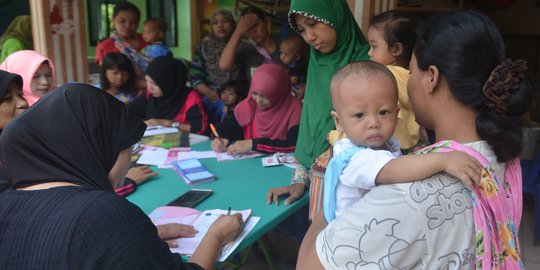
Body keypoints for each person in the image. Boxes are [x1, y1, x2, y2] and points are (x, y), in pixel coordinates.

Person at [297, 10, 534, 269]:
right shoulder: (500, 156)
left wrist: (331, 189)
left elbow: (309, 265)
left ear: (431, 77)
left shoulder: (408, 196)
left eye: (410, 72)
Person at [0, 83, 244, 269]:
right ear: (99, 148)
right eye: (130, 149)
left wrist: (131, 239)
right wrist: (216, 235)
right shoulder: (101, 212)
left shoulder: (7, 202)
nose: (131, 160)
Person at [324, 60, 481, 222]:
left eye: (383, 112)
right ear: (339, 121)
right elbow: (392, 170)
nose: (373, 123)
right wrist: (444, 160)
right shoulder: (354, 158)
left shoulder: (388, 144)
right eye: (359, 115)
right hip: (355, 237)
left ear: (396, 112)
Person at [266, 0, 370, 218]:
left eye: (313, 24)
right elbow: (311, 126)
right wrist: (300, 179)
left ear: (335, 15)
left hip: (357, 192)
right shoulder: (317, 61)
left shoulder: (367, 65)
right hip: (318, 187)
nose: (309, 37)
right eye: (302, 30)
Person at [211, 64, 301, 155]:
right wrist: (222, 138)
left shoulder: (295, 110)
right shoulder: (249, 105)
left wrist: (253, 144)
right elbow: (227, 128)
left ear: (278, 92)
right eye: (255, 93)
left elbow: (294, 145)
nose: (258, 101)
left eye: (265, 96)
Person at [367, 10, 423, 152]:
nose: (369, 53)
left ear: (397, 49)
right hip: (408, 145)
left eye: (374, 46)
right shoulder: (413, 77)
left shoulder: (383, 78)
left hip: (384, 146)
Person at [129, 56, 208, 135]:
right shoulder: (149, 95)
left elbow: (201, 129)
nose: (149, 88)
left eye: (154, 83)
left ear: (168, 82)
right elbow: (129, 114)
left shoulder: (191, 98)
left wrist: (167, 123)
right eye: (147, 81)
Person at [189, 9, 240, 123]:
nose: (220, 25)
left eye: (225, 21)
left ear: (233, 25)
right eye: (215, 22)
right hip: (209, 98)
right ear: (211, 26)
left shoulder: (242, 47)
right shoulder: (203, 48)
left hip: (236, 100)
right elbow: (194, 76)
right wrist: (208, 92)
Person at [219, 6, 281, 85]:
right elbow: (224, 65)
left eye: (255, 25)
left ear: (266, 21)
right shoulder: (247, 51)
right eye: (247, 28)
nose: (252, 31)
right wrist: (238, 32)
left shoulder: (286, 47)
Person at [95, 2, 147, 75]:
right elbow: (108, 77)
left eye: (133, 22)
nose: (127, 26)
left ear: (138, 23)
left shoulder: (148, 41)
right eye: (122, 21)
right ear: (113, 20)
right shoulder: (104, 47)